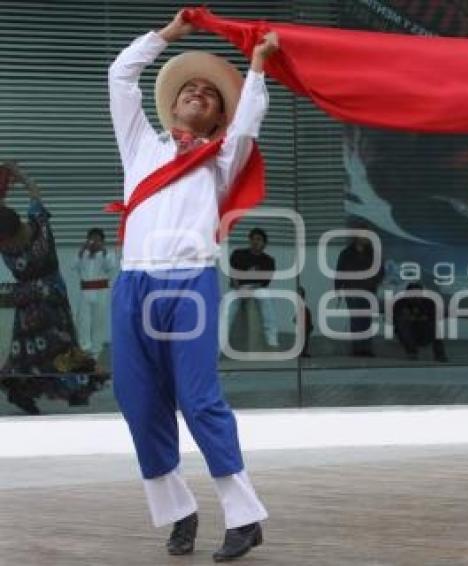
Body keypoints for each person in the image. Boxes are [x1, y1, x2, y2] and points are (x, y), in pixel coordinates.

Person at [107, 11, 275, 561]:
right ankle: (178, 512)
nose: (197, 95)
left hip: (190, 284)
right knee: (137, 401)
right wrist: (167, 36)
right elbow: (119, 77)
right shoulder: (139, 146)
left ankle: (244, 515)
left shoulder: (222, 159)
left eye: (210, 94)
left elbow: (249, 119)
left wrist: (256, 65)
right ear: (173, 104)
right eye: (189, 90)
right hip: (133, 284)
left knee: (199, 399)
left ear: (217, 116)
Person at [0, 162, 101, 415]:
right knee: (54, 346)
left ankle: (33, 390)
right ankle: (71, 390)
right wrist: (19, 176)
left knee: (35, 349)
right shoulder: (38, 225)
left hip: (36, 301)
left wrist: (9, 181)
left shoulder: (10, 244)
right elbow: (35, 194)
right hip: (47, 297)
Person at [227, 227, 279, 348]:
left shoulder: (268, 261)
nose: (255, 242)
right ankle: (217, 347)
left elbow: (265, 282)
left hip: (257, 288)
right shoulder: (239, 254)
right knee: (226, 306)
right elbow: (233, 275)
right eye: (253, 239)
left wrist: (250, 289)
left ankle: (272, 342)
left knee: (267, 299)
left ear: (264, 244)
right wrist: (239, 289)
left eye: (259, 239)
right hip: (239, 287)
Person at [334, 232, 384, 357]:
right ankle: (357, 348)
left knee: (367, 320)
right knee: (356, 319)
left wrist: (373, 282)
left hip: (368, 290)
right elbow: (340, 271)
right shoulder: (346, 253)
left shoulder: (372, 253)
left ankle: (366, 349)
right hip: (352, 289)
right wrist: (338, 289)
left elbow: (380, 270)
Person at [73, 227, 117, 362]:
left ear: (102, 241)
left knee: (99, 321)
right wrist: (81, 252)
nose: (94, 242)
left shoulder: (107, 254)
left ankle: (96, 352)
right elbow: (73, 266)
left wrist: (103, 252)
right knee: (83, 322)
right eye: (91, 239)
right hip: (85, 292)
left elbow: (111, 266)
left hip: (101, 291)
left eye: (97, 239)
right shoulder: (83, 254)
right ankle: (84, 349)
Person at [392, 282, 447, 362]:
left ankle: (440, 354)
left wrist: (420, 318)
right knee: (403, 324)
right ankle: (411, 351)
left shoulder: (429, 303)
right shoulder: (400, 303)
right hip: (407, 331)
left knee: (435, 327)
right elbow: (395, 319)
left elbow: (434, 317)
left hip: (424, 330)